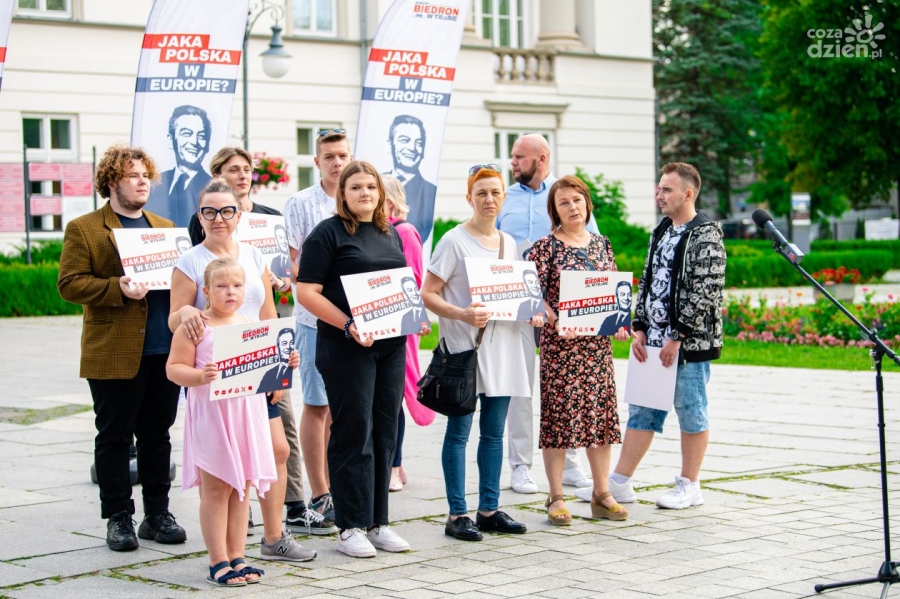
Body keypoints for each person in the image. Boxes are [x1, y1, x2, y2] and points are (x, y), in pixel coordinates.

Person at [168, 180, 317, 561]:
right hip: (216, 375)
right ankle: (222, 550)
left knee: (277, 449)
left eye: (226, 211)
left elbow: (267, 314)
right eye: (210, 211)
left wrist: (278, 368)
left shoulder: (253, 256)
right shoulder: (190, 261)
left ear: (239, 215)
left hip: (257, 369)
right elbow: (175, 318)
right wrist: (185, 313)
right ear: (200, 216)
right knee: (219, 467)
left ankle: (273, 536)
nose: (218, 218)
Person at [57, 145, 187, 552]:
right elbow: (69, 284)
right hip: (114, 349)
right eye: (133, 175)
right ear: (112, 181)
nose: (143, 182)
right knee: (114, 437)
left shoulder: (165, 227)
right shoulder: (85, 228)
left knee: (157, 435)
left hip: (164, 349)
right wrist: (118, 287)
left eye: (146, 175)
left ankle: (157, 514)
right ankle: (118, 517)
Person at [578, 162, 725, 509]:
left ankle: (690, 485)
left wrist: (678, 336)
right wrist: (640, 326)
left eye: (666, 190)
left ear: (687, 194)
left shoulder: (706, 234)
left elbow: (707, 289)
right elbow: (647, 281)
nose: (659, 195)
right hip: (652, 344)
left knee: (691, 411)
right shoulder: (661, 230)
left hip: (687, 346)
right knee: (642, 411)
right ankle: (619, 482)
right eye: (659, 188)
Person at [297, 160, 420, 558]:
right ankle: (350, 526)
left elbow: (398, 287)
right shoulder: (327, 233)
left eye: (370, 186)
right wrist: (349, 325)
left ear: (380, 193)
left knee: (385, 432)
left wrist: (412, 316)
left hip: (390, 346)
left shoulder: (389, 232)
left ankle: (378, 522)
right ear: (343, 194)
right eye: (355, 187)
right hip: (346, 347)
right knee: (354, 432)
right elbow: (306, 292)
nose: (364, 192)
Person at [420, 164, 541, 542]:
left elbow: (515, 294)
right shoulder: (454, 241)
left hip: (503, 348)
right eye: (482, 193)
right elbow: (427, 294)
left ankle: (488, 509)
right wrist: (462, 314)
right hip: (465, 352)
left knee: (493, 433)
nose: (489, 199)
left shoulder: (508, 243)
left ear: (504, 197)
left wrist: (531, 310)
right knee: (459, 433)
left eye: (495, 192)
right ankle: (457, 514)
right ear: (469, 198)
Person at [167, 258, 296, 586]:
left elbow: (265, 369)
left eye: (237, 285)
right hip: (213, 419)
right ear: (206, 291)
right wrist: (199, 376)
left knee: (242, 488)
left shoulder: (250, 324)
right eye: (222, 286)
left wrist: (286, 366)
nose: (230, 292)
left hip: (247, 417)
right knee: (217, 489)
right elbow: (173, 368)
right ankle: (218, 561)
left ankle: (238, 555)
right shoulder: (196, 327)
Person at [496, 134, 599, 494]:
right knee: (520, 386)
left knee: (566, 386)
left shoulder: (565, 195)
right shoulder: (505, 197)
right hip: (518, 305)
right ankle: (520, 467)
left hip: (563, 311)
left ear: (541, 158)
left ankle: (571, 463)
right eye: (512, 157)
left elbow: (590, 250)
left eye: (519, 157)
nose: (513, 162)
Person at [531, 175, 631, 525]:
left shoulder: (602, 244)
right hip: (561, 349)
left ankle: (601, 493)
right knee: (559, 419)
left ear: (587, 203)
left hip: (597, 350)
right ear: (555, 211)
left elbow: (613, 290)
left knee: (600, 418)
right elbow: (532, 294)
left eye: (577, 200)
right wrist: (551, 314)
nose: (572, 207)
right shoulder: (545, 247)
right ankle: (556, 496)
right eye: (564, 203)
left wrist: (620, 321)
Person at [284, 128, 352, 528]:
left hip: (355, 320)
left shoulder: (360, 196)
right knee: (317, 403)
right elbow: (293, 264)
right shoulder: (302, 204)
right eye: (329, 156)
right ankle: (320, 492)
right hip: (313, 318)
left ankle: (342, 484)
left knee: (345, 407)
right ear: (317, 162)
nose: (337, 163)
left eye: (342, 155)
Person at [382, 175, 434, 493]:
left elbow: (414, 280)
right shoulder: (377, 231)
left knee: (395, 396)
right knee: (385, 399)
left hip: (401, 324)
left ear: (389, 201)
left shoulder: (404, 232)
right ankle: (395, 465)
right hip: (379, 325)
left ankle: (393, 465)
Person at [148, 105, 212, 226]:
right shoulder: (153, 185)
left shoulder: (213, 187)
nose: (194, 142)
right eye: (187, 133)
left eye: (201, 136)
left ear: (207, 144)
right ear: (170, 140)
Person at [383, 115, 436, 241]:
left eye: (418, 143)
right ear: (390, 144)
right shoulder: (373, 183)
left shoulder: (430, 190)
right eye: (404, 140)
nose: (412, 148)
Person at [258, 327, 295, 393]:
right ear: (278, 347)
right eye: (284, 343)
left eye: (291, 343)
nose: (288, 347)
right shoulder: (268, 374)